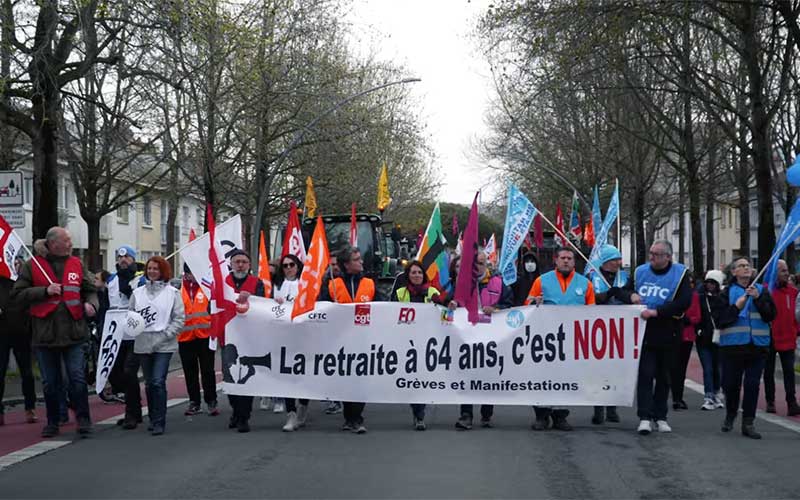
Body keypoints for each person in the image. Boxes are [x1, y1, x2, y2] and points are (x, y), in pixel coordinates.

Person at [12, 227, 98, 438]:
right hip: (45, 334)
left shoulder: (76, 263)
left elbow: (90, 289)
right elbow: (18, 295)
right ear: (53, 244)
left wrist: (92, 305)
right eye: (66, 240)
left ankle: (83, 419)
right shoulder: (32, 266)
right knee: (50, 382)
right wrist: (44, 291)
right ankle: (53, 421)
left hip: (74, 332)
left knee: (77, 378)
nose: (70, 243)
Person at [525, 247, 595, 431]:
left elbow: (594, 312)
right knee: (543, 379)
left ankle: (560, 416)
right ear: (556, 260)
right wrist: (534, 303)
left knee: (566, 378)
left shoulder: (585, 284)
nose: (566, 261)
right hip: (545, 341)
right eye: (562, 258)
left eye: (569, 258)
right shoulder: (542, 281)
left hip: (572, 341)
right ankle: (541, 415)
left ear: (574, 262)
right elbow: (527, 304)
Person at [632, 239, 692, 435]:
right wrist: (630, 295)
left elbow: (684, 302)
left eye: (656, 254)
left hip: (669, 331)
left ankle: (661, 416)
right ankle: (644, 417)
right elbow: (623, 290)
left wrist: (657, 312)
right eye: (650, 253)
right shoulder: (641, 271)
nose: (651, 257)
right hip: (644, 332)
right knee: (645, 375)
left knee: (664, 377)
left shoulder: (680, 274)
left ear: (667, 257)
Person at [714, 256, 776, 438]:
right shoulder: (726, 293)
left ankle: (748, 422)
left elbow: (771, 315)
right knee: (731, 385)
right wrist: (736, 307)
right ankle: (731, 412)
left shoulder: (761, 291)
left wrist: (758, 300)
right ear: (734, 272)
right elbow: (719, 320)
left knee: (752, 385)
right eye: (741, 266)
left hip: (757, 347)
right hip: (732, 347)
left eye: (748, 265)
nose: (746, 268)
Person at [455, 249, 513, 430]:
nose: (477, 267)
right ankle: (466, 415)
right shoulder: (461, 284)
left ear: (486, 264)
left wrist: (496, 310)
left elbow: (510, 306)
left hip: (492, 338)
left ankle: (486, 413)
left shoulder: (499, 283)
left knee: (488, 376)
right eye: (474, 264)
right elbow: (449, 302)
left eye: (480, 263)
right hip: (467, 337)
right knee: (467, 375)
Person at [128, 256, 184, 435]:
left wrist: (166, 335)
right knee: (149, 383)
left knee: (158, 381)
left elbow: (179, 319)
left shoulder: (172, 293)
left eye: (156, 269)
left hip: (164, 344)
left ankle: (160, 421)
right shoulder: (137, 293)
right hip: (143, 343)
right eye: (149, 268)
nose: (152, 271)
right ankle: (153, 417)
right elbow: (131, 317)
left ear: (163, 271)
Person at [585, 244, 639, 425]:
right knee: (598, 371)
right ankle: (598, 408)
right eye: (616, 259)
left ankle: (612, 408)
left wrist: (623, 294)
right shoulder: (593, 276)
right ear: (607, 261)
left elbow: (632, 295)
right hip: (597, 329)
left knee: (617, 370)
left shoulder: (625, 277)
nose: (619, 263)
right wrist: (606, 295)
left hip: (620, 330)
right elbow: (590, 298)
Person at [329, 246, 377, 434]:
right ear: (347, 264)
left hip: (363, 340)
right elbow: (320, 307)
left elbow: (381, 307)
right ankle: (349, 418)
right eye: (357, 259)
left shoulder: (369, 284)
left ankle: (356, 418)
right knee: (345, 380)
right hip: (340, 341)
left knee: (360, 380)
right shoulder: (333, 284)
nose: (361, 262)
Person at [392, 260, 444, 430]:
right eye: (413, 272)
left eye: (419, 272)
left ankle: (419, 414)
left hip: (428, 343)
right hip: (405, 343)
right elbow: (390, 313)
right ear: (408, 275)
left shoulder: (432, 292)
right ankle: (417, 411)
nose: (416, 275)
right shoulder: (400, 293)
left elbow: (443, 305)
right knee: (411, 378)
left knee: (421, 378)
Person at [225, 249, 267, 433]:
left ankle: (244, 417)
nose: (240, 265)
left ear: (249, 265)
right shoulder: (224, 282)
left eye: (244, 261)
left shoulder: (256, 283)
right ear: (231, 264)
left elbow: (262, 305)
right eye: (237, 261)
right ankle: (236, 410)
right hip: (228, 335)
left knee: (245, 376)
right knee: (230, 375)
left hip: (249, 335)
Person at [105, 246, 146, 428]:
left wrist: (131, 290)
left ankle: (132, 413)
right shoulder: (112, 280)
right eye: (120, 257)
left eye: (127, 257)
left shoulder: (140, 279)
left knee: (130, 372)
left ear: (133, 259)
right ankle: (133, 410)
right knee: (116, 373)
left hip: (134, 334)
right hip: (115, 335)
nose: (123, 260)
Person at [274, 253, 310, 432]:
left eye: (292, 265)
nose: (288, 268)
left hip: (303, 336)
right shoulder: (277, 286)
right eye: (285, 266)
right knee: (287, 375)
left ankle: (303, 406)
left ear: (298, 266)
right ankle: (291, 413)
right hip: (283, 336)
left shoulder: (306, 285)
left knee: (303, 374)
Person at [0, 256, 37, 426]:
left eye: (17, 263)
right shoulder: (1, 282)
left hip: (22, 332)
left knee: (27, 372)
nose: (14, 266)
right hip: (2, 332)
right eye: (11, 263)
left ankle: (30, 407)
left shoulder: (26, 283)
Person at [178, 264, 219, 417]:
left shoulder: (207, 287)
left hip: (205, 335)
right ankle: (194, 402)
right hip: (185, 337)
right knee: (190, 372)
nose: (193, 276)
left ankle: (211, 401)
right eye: (190, 273)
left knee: (208, 370)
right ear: (186, 274)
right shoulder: (178, 289)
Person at [765, 260, 800, 415]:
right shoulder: (767, 291)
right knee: (768, 371)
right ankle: (770, 401)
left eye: (787, 270)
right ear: (775, 273)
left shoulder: (793, 292)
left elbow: (795, 314)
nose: (787, 273)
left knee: (789, 372)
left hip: (788, 337)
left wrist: (796, 330)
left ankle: (791, 403)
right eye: (783, 271)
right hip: (770, 337)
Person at [671, 275, 701, 411]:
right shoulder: (672, 295)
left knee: (681, 368)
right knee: (671, 367)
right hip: (672, 335)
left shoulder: (694, 296)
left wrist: (686, 319)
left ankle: (678, 397)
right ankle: (672, 395)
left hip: (687, 336)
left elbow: (697, 317)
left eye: (690, 283)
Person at [697, 270, 725, 410]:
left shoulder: (722, 299)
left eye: (713, 283)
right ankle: (708, 396)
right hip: (703, 339)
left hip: (719, 338)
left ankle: (716, 393)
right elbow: (696, 315)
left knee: (717, 369)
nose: (710, 285)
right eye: (708, 282)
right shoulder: (700, 298)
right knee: (707, 368)